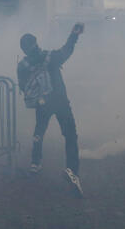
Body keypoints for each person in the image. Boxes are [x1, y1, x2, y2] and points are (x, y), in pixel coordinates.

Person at [16, 23, 85, 197]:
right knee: (70, 135)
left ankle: (35, 162)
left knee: (39, 130)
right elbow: (67, 50)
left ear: (23, 49)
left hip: (42, 103)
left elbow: (23, 86)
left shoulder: (22, 65)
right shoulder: (50, 57)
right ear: (36, 43)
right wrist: (74, 34)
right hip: (60, 100)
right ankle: (72, 170)